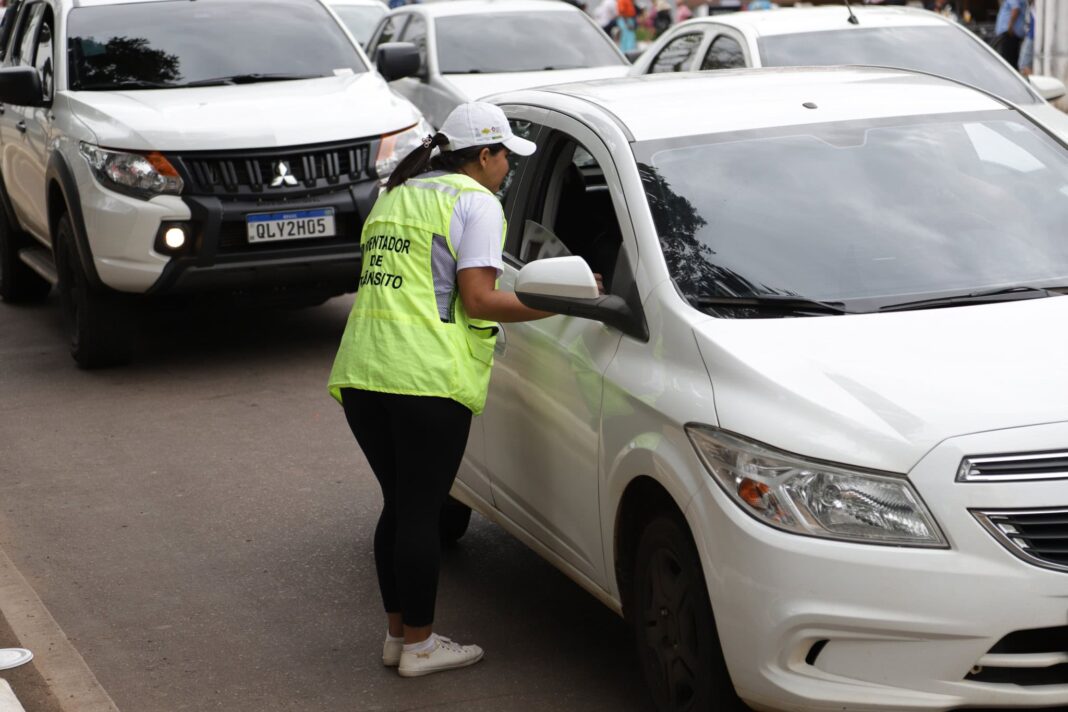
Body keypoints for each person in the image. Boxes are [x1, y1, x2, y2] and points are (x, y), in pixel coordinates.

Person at [328, 102, 552, 678]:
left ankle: (399, 638)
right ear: (484, 155)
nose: (508, 168)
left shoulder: (396, 194)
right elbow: (478, 299)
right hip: (424, 378)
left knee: (401, 507)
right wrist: (559, 302)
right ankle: (422, 648)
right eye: (506, 156)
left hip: (364, 375)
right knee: (420, 513)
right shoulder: (475, 202)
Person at [994, 0, 1027, 69]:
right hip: (1010, 33)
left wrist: (1010, 26)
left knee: (1008, 62)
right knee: (1010, 60)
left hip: (1010, 33)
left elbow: (1015, 9)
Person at [1018, 0, 1035, 77]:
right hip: (1029, 35)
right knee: (1024, 65)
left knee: (1023, 65)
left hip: (1031, 37)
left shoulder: (1036, 7)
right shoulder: (1030, 6)